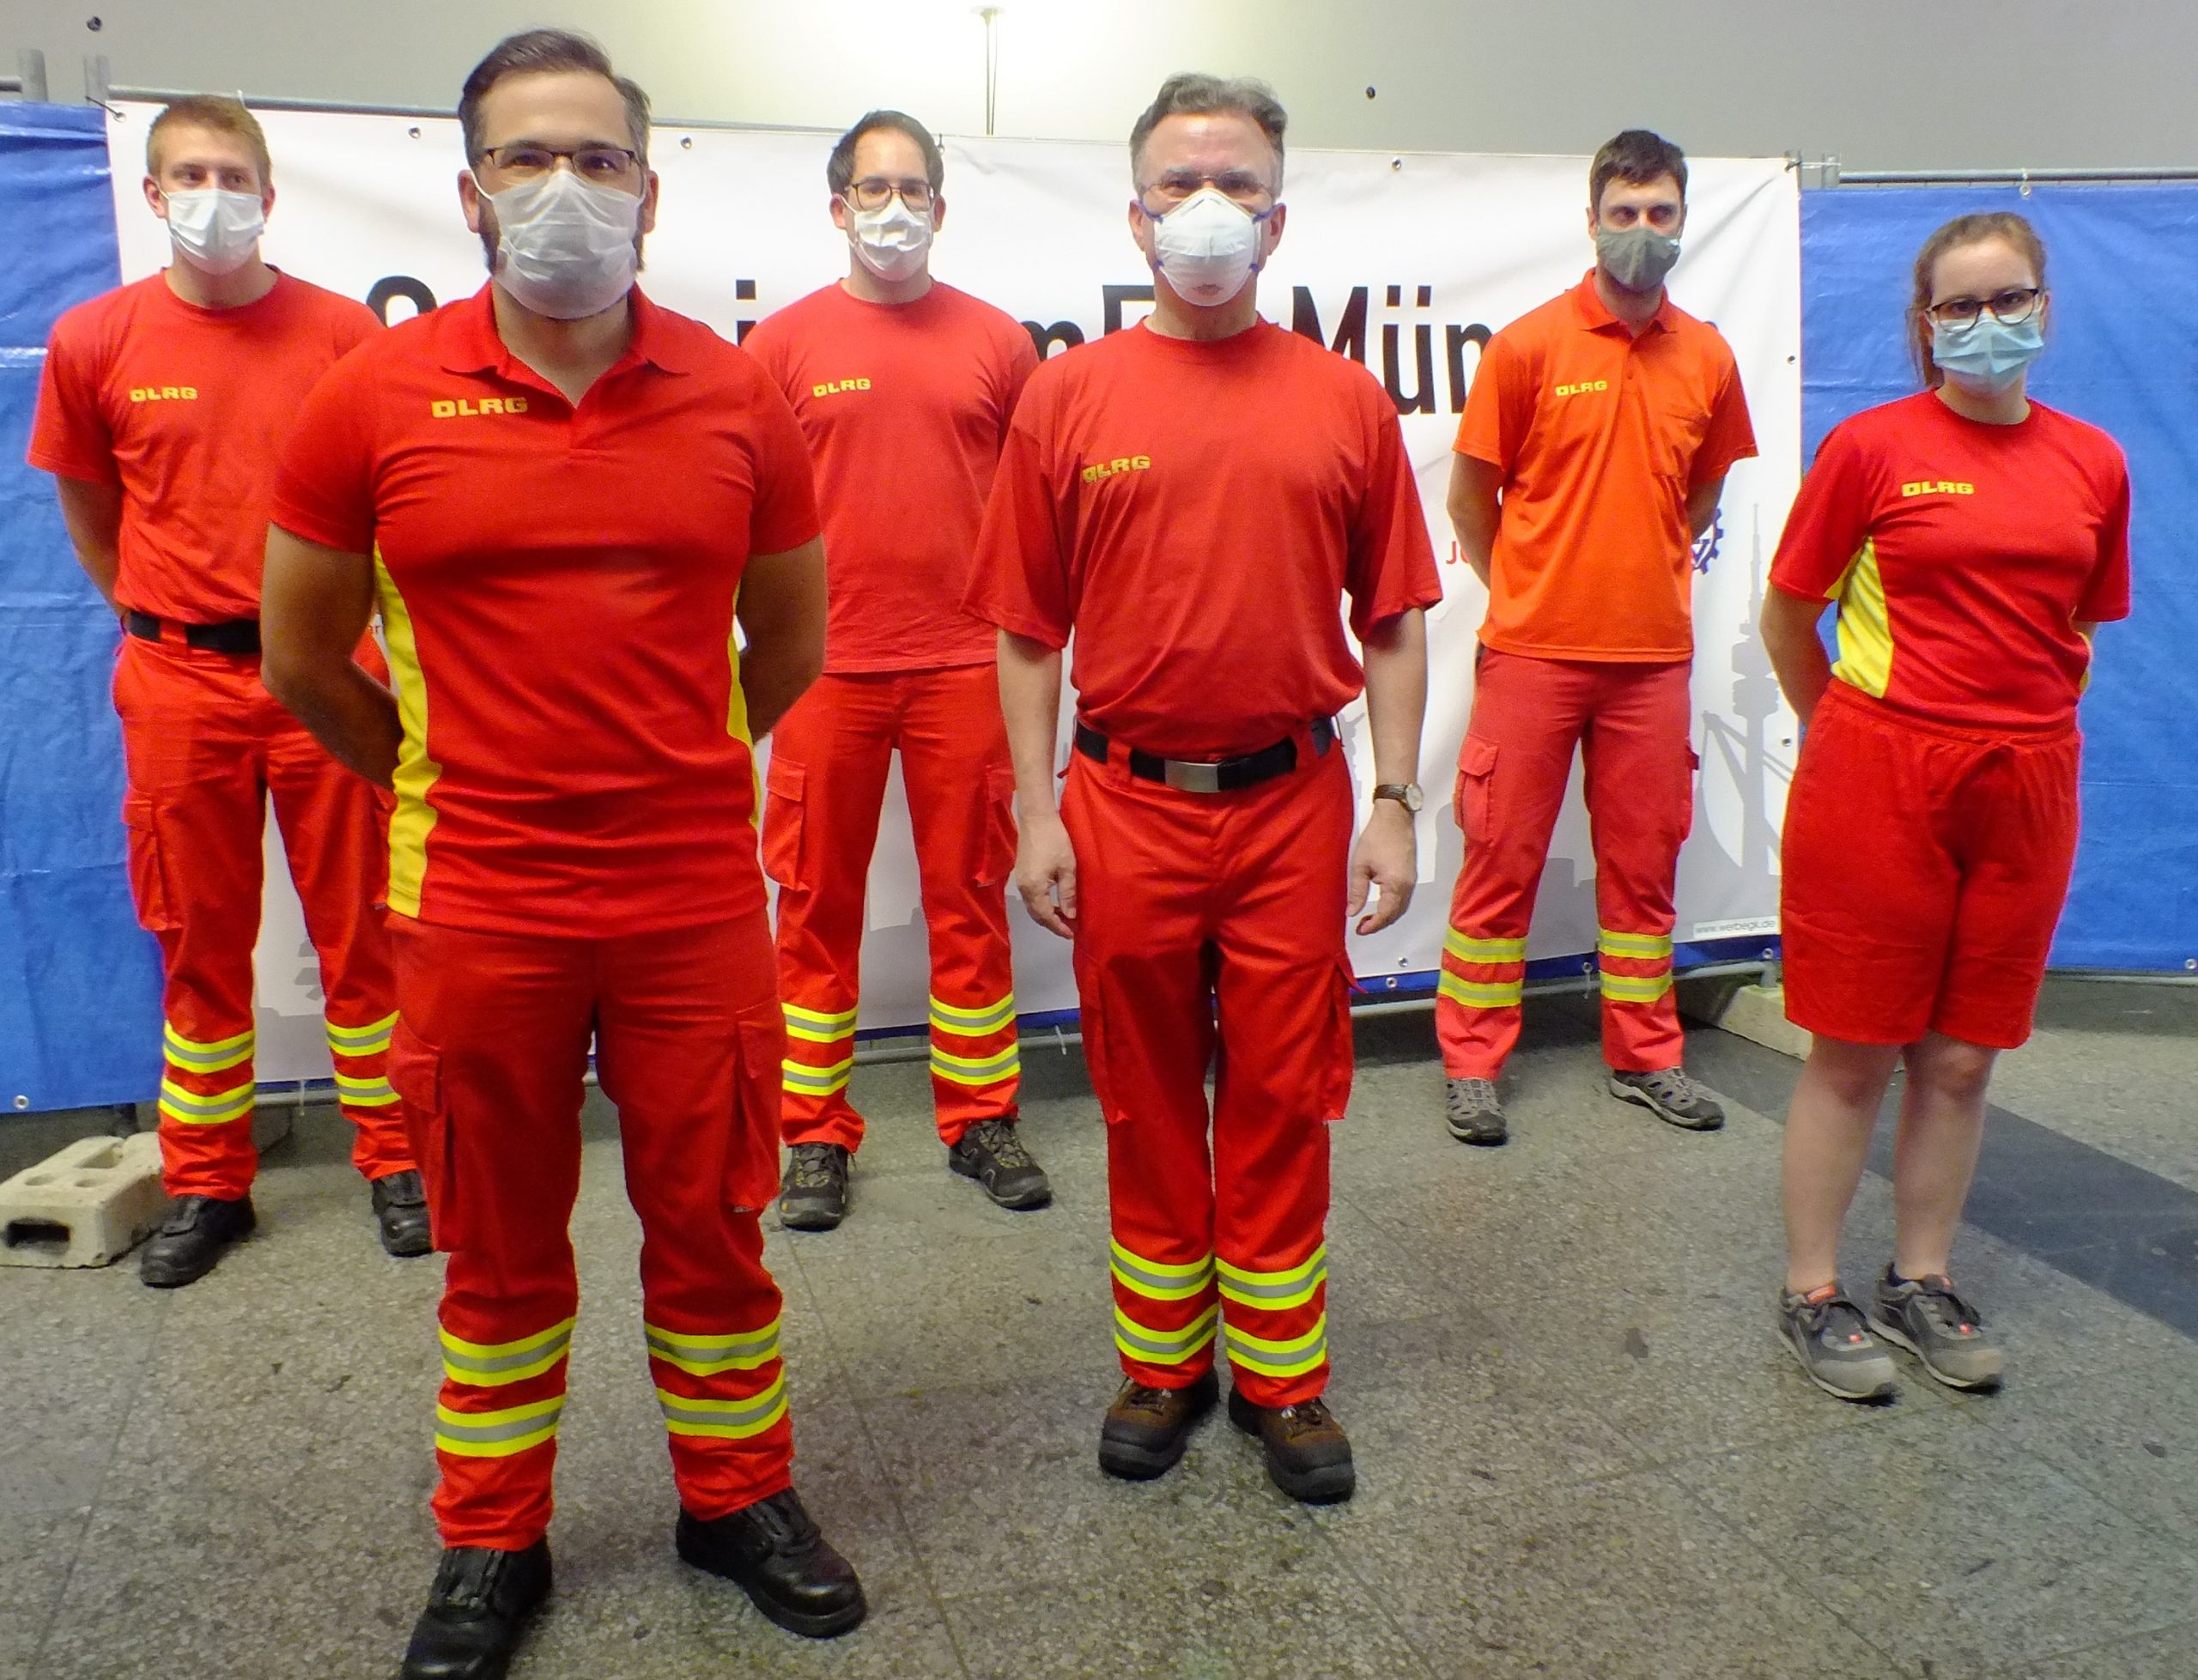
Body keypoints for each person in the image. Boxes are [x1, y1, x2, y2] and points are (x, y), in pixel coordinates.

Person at [258, 31, 864, 1675]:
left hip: (689, 898)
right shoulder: (369, 398)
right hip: (475, 901)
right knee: (497, 1243)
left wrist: (666, 763)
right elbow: (301, 654)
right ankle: (490, 1536)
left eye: (598, 158)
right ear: (469, 194)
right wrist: (442, 778)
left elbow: (791, 644)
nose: (564, 188)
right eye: (527, 157)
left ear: (649, 193)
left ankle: (735, 1497)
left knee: (715, 1221)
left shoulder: (738, 393)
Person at [968, 72, 1436, 1506]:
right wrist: (1036, 811)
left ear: (1279, 219)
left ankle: (1284, 1374)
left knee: (1288, 1090)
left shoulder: (1345, 400)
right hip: (1124, 803)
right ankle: (1163, 1360)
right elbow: (1025, 630)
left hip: (1294, 800)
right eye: (1180, 183)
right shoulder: (1066, 397)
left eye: (1237, 182)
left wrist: (1395, 800)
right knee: (1146, 1090)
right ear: (1136, 214)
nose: (1209, 207)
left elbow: (1395, 620)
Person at [27, 95, 425, 1285]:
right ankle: (209, 1185)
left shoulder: (345, 335)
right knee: (198, 942)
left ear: (269, 192)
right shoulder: (95, 339)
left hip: (325, 677)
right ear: (153, 194)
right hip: (176, 682)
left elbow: (386, 502)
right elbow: (92, 516)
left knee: (367, 933)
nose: (214, 195)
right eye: (190, 175)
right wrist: (166, 615)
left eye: (234, 174)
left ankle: (397, 1160)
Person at [1763, 211, 2128, 1402]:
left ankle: (1920, 1277)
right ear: (1925, 325)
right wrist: (1848, 735)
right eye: (1959, 306)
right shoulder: (1870, 449)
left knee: (1964, 1057)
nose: (1986, 323)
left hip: (2027, 783)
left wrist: (2017, 733)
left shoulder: (2093, 462)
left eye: (2007, 298)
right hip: (1881, 775)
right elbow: (1788, 614)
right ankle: (1811, 1290)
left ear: (2044, 307)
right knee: (1855, 1049)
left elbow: (2079, 624)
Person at [744, 110, 1047, 1233]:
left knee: (970, 899)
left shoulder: (998, 343)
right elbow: (748, 510)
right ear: (837, 207)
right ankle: (812, 1135)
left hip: (966, 665)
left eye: (913, 188)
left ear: (941, 207)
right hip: (822, 670)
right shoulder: (781, 348)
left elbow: (1030, 512)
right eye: (872, 189)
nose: (893, 207)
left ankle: (981, 1120)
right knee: (811, 905)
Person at [1436, 129, 1757, 1146]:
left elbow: (1702, 495)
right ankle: (1472, 1065)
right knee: (1500, 861)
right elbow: (1469, 500)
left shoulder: (1708, 356)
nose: (1641, 230)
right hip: (1532, 656)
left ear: (1682, 220)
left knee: (1643, 871)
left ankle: (1646, 1056)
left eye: (1660, 213)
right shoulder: (1527, 347)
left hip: (1651, 663)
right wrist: (1529, 591)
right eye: (1624, 213)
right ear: (1591, 221)